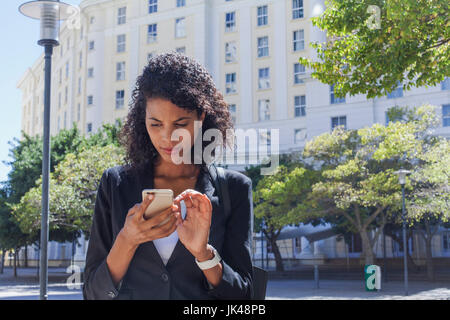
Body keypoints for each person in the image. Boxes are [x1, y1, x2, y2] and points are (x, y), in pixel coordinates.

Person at [83, 52, 254, 300]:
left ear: (201, 116)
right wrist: (127, 240)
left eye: (181, 123)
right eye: (155, 123)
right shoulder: (114, 184)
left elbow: (244, 297)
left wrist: (204, 254)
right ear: (143, 119)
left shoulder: (235, 189)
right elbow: (92, 294)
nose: (167, 137)